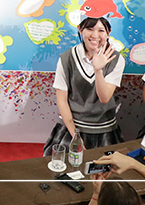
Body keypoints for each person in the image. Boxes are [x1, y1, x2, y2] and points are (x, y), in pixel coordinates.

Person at [45, 17, 124, 155]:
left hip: (104, 128)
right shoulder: (66, 58)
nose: (95, 35)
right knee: (62, 170)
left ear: (108, 32)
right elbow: (62, 100)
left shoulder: (116, 59)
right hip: (72, 127)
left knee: (106, 172)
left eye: (101, 30)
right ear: (80, 30)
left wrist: (98, 70)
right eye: (89, 29)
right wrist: (76, 137)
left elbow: (104, 98)